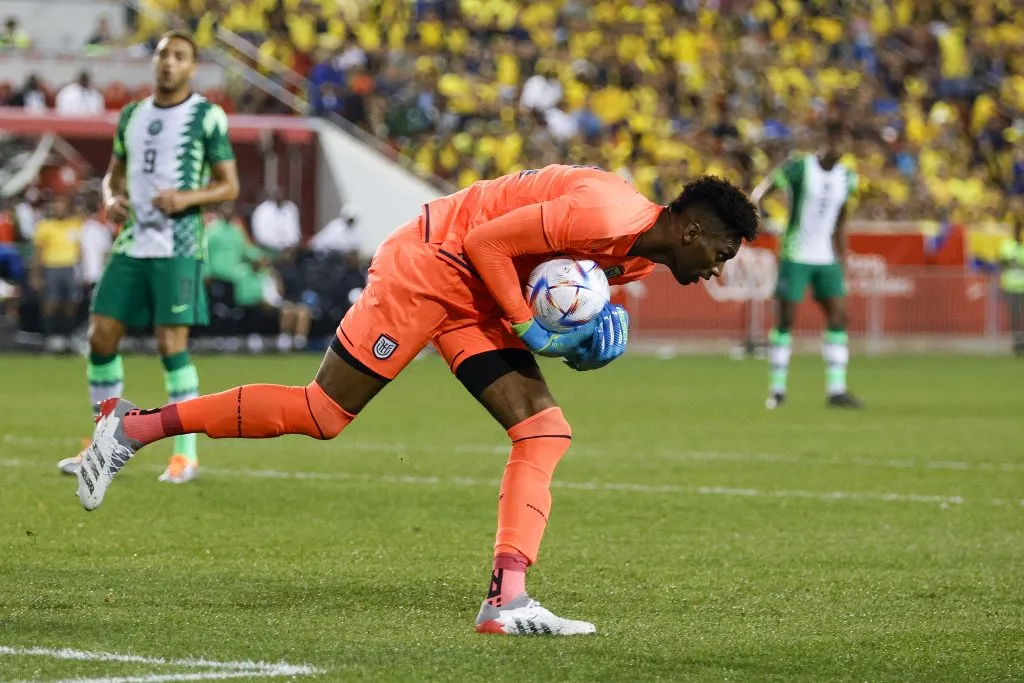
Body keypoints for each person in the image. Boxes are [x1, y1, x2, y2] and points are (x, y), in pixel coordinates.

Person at [75, 165, 758, 635]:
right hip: (433, 265)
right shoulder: (606, 211)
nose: (719, 268)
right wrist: (530, 328)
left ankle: (507, 598)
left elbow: (542, 283)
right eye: (722, 253)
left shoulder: (636, 256)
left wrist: (578, 344)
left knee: (543, 430)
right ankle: (132, 424)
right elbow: (488, 241)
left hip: (479, 290)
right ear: (694, 231)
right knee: (322, 413)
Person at [57, 31, 239, 482]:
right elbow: (111, 176)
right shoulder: (132, 115)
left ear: (192, 68)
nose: (169, 64)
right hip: (131, 240)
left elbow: (229, 185)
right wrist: (110, 199)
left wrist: (187, 198)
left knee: (170, 346)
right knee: (100, 336)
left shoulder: (206, 116)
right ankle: (101, 445)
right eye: (163, 55)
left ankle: (185, 454)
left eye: (179, 57)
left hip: (177, 246)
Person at [751, 120, 863, 409]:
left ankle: (836, 390)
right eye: (836, 141)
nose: (840, 148)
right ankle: (777, 390)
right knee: (786, 320)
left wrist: (843, 258)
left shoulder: (848, 178)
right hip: (796, 254)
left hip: (826, 257)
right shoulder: (800, 168)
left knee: (839, 316)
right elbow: (762, 191)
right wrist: (757, 215)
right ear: (825, 141)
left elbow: (840, 220)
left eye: (845, 143)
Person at [31, 195, 83, 352]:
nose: (59, 208)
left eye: (62, 204)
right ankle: (50, 338)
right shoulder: (45, 226)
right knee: (50, 303)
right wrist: (36, 274)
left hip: (70, 266)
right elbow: (38, 252)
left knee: (71, 303)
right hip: (51, 266)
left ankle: (69, 338)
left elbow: (81, 249)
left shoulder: (75, 224)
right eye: (56, 204)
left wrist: (83, 270)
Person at [999, 198, 1024, 356]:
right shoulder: (1006, 244)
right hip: (1011, 286)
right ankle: (1017, 344)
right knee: (1015, 317)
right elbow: (1003, 261)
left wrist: (1015, 263)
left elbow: (1012, 262)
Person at [250, 187, 300, 255]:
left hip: (289, 251)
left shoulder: (290, 208)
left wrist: (289, 248)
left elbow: (295, 234)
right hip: (268, 250)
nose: (279, 197)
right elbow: (261, 238)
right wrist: (276, 249)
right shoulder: (262, 211)